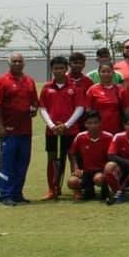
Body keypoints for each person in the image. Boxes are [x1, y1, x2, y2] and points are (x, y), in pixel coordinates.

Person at [0, 53, 39, 206]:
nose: (17, 63)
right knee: (7, 163)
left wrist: (34, 109)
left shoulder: (29, 81)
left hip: (25, 130)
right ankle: (5, 195)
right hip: (9, 130)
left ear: (24, 63)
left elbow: (34, 102)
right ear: (9, 63)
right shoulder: (2, 81)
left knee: (22, 163)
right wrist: (0, 127)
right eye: (14, 61)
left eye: (20, 61)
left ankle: (17, 193)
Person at [38, 56, 86, 200]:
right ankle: (53, 189)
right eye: (55, 68)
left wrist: (66, 125)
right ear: (51, 69)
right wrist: (52, 125)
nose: (58, 71)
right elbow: (42, 108)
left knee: (73, 158)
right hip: (52, 131)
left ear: (66, 69)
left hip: (71, 130)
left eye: (61, 68)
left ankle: (76, 189)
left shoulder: (75, 86)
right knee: (52, 159)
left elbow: (80, 108)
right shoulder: (47, 87)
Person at [67, 110, 112, 201]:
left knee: (99, 179)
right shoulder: (80, 137)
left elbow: (114, 156)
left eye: (96, 123)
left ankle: (105, 189)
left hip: (101, 171)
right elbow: (72, 154)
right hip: (85, 172)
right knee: (72, 181)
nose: (93, 126)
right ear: (85, 124)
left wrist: (107, 171)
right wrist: (76, 168)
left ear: (100, 123)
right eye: (89, 123)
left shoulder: (109, 137)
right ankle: (82, 191)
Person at [86, 63, 128, 135]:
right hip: (98, 129)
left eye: (109, 71)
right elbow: (88, 111)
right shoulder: (92, 90)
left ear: (113, 73)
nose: (106, 74)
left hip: (117, 128)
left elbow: (127, 110)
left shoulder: (121, 89)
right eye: (103, 72)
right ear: (99, 73)